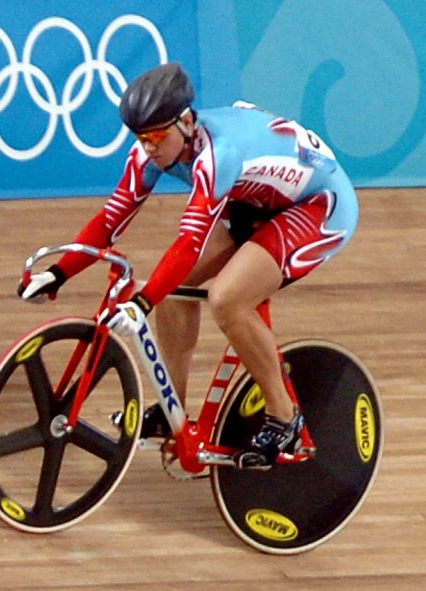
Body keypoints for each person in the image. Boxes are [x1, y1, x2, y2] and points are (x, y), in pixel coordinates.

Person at [18, 61, 359, 467]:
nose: (148, 148)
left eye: (156, 137)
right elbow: (111, 219)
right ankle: (171, 410)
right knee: (172, 293)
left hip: (317, 206)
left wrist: (140, 303)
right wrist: (58, 273)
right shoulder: (153, 149)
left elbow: (188, 243)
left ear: (184, 122)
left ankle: (284, 416)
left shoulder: (219, 154)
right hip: (254, 203)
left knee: (227, 298)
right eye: (140, 138)